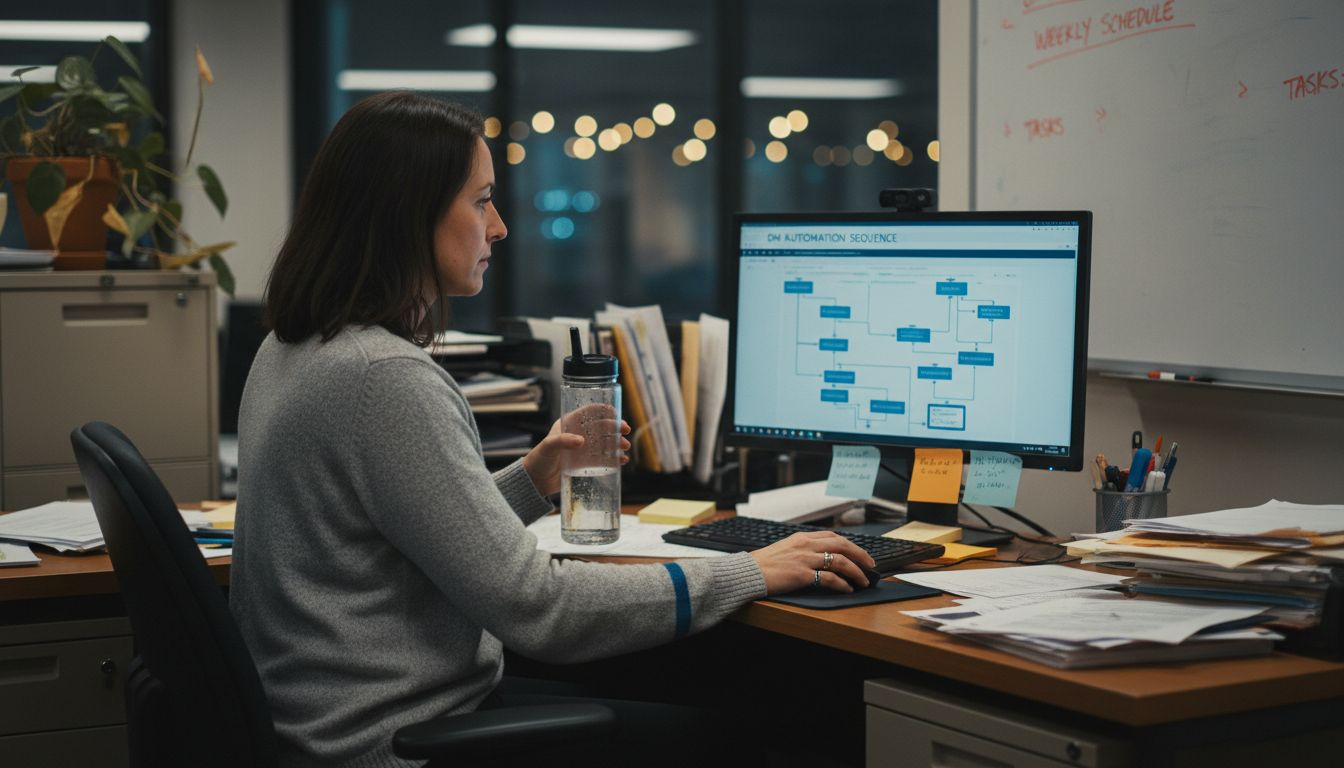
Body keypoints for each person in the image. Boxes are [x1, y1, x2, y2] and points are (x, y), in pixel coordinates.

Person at [231, 91, 875, 768]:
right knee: (755, 733)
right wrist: (748, 571)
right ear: (408, 215)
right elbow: (539, 609)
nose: (500, 227)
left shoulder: (294, 348)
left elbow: (410, 537)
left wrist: (531, 479)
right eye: (482, 201)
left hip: (342, 725)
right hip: (395, 741)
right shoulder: (384, 377)